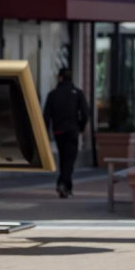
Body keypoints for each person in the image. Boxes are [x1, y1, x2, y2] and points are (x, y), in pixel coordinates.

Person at [43, 68, 89, 198]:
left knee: (64, 158)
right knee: (69, 159)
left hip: (58, 131)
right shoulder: (78, 94)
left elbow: (46, 116)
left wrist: (45, 134)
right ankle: (63, 184)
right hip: (72, 130)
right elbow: (85, 113)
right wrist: (80, 127)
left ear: (60, 78)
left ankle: (66, 186)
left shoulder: (53, 95)